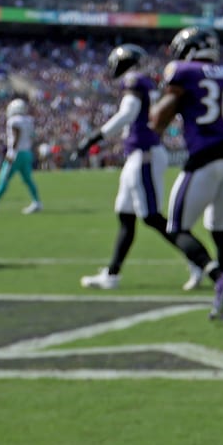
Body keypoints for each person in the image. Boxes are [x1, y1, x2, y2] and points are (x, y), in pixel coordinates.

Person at [149, 28, 223, 318]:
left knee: (177, 228)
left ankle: (219, 278)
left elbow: (158, 119)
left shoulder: (182, 71)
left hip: (204, 158)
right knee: (220, 232)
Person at [77, 44, 179, 290]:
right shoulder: (143, 81)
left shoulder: (134, 80)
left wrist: (94, 137)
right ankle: (112, 273)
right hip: (138, 153)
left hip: (144, 154)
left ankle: (200, 261)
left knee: (152, 217)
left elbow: (128, 113)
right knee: (125, 215)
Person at [0, 97, 42, 213]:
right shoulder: (29, 120)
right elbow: (32, 137)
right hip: (26, 153)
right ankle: (37, 202)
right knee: (28, 180)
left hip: (16, 154)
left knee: (4, 178)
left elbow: (17, 135)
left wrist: (11, 152)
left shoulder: (14, 121)